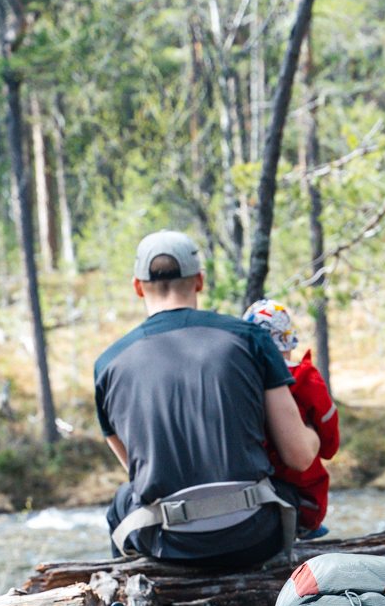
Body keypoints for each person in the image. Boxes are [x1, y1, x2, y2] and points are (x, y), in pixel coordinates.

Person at [94, 230, 319, 567]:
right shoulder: (251, 339)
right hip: (254, 535)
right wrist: (316, 433)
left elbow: (137, 470)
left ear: (137, 286)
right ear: (199, 281)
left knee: (122, 503)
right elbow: (298, 457)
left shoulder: (107, 365)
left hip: (168, 545)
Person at [242, 299, 339, 537]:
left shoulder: (239, 378)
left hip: (247, 479)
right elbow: (329, 438)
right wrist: (318, 440)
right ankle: (307, 524)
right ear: (288, 339)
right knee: (312, 485)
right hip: (297, 484)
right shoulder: (305, 377)